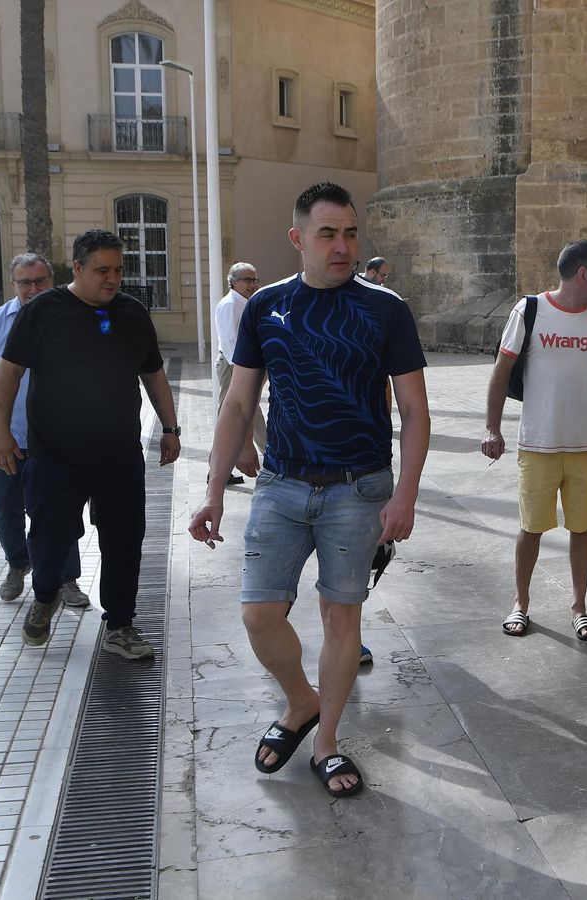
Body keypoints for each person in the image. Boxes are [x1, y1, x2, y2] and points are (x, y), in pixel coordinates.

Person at [188, 182, 429, 798]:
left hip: (358, 487)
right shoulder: (265, 306)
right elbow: (239, 400)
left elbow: (414, 411)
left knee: (339, 618)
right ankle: (302, 702)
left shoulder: (385, 310)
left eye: (350, 233)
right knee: (259, 615)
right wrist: (214, 489)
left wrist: (405, 494)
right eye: (328, 234)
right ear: (298, 239)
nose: (343, 246)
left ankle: (326, 743)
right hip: (280, 483)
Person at [0, 229, 181, 658]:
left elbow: (153, 373)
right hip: (56, 455)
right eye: (102, 271)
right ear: (76, 268)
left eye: (118, 270)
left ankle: (121, 625)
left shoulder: (131, 312)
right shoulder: (44, 311)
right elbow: (8, 371)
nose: (112, 279)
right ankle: (45, 594)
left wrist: (170, 427)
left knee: (124, 539)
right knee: (51, 535)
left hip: (119, 456)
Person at [482, 239, 587, 641]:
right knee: (531, 528)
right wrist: (492, 427)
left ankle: (580, 607)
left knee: (582, 528)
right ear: (583, 273)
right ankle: (520, 603)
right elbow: (502, 371)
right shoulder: (530, 310)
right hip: (538, 443)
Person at [0, 253, 88, 607]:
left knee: (61, 512)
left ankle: (68, 579)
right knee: (5, 506)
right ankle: (18, 563)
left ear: (53, 279)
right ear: (13, 284)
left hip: (58, 443)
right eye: (25, 282)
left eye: (40, 280)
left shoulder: (72, 317)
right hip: (10, 442)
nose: (33, 288)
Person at [212, 262, 268, 485]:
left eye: (255, 280)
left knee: (244, 415)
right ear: (233, 282)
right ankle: (274, 458)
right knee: (241, 415)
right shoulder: (229, 305)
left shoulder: (246, 302)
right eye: (248, 280)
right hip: (234, 366)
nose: (253, 284)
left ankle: (217, 469)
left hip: (244, 366)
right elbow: (229, 342)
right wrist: (244, 371)